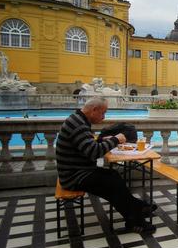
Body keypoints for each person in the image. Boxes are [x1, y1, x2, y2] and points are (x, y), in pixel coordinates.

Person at [56, 97, 157, 234]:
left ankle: (137, 208)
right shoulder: (78, 125)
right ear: (94, 110)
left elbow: (86, 144)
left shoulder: (77, 120)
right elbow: (94, 152)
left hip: (77, 171)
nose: (104, 117)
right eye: (103, 113)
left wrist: (103, 139)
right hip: (74, 177)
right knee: (112, 183)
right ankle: (135, 219)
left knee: (113, 177)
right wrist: (116, 139)